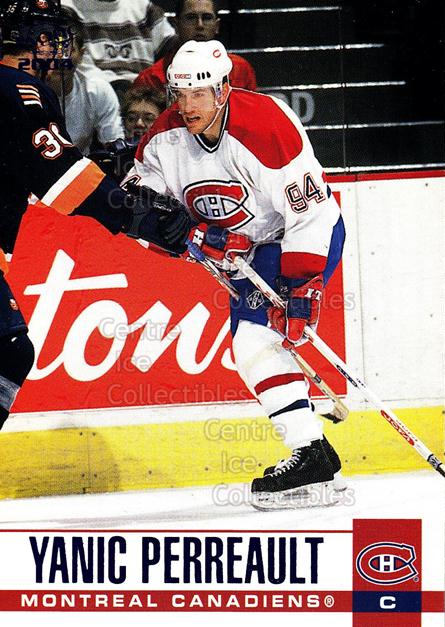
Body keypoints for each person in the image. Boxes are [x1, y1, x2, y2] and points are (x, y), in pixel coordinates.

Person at [125, 40, 346, 509]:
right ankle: (317, 456)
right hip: (245, 255)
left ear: (223, 89)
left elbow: (310, 214)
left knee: (253, 342)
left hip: (299, 236)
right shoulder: (163, 140)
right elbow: (138, 208)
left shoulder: (267, 125)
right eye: (179, 94)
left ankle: (311, 454)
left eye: (198, 94)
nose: (186, 106)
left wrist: (303, 289)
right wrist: (186, 235)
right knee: (251, 348)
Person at [0, 0, 191, 432]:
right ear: (39, 41)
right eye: (54, 37)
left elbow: (30, 165)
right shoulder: (21, 89)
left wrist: (103, 168)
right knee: (8, 350)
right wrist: (137, 216)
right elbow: (62, 181)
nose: (60, 47)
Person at [134, 0, 257, 94]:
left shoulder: (240, 69)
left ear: (217, 26)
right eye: (191, 18)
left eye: (207, 18)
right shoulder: (151, 79)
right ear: (176, 25)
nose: (200, 25)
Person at [61, 0, 177, 87]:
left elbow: (173, 55)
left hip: (145, 95)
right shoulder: (66, 10)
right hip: (94, 94)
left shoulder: (145, 8)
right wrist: (118, 86)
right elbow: (80, 68)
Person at [45, 32, 124, 154]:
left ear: (81, 55)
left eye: (67, 50)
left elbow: (114, 146)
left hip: (82, 164)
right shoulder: (24, 91)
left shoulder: (98, 91)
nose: (60, 58)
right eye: (51, 50)